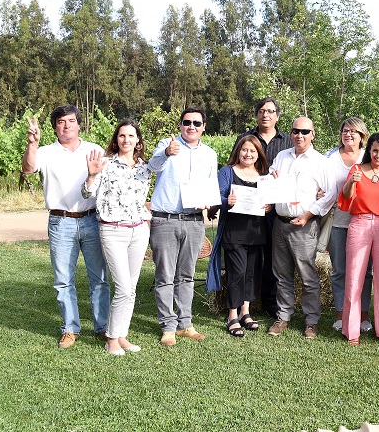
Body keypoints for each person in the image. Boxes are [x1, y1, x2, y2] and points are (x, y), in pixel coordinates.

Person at [22, 105, 109, 349]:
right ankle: (70, 328)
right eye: (61, 122)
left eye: (71, 120)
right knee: (63, 280)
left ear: (79, 124)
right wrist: (32, 143)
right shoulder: (46, 152)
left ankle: (102, 327)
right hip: (60, 221)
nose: (67, 125)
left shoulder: (94, 150)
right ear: (55, 127)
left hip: (92, 219)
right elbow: (27, 169)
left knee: (100, 278)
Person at [147, 106, 219, 346]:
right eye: (187, 122)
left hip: (194, 221)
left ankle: (185, 324)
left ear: (203, 127)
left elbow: (211, 185)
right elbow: (152, 166)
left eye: (196, 123)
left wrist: (211, 203)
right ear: (180, 124)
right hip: (165, 220)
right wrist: (166, 152)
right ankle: (168, 326)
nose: (191, 127)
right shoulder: (167, 145)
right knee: (165, 275)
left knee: (186, 276)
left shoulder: (209, 154)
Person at [82, 119, 151, 355]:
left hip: (139, 229)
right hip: (112, 229)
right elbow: (88, 192)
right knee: (122, 287)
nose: (126, 140)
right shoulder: (106, 164)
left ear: (138, 141)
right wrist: (91, 176)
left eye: (131, 136)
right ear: (116, 139)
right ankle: (111, 338)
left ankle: (122, 335)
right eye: (122, 136)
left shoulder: (144, 167)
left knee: (131, 288)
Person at [265, 117, 334, 339]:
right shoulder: (281, 156)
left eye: (305, 131)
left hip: (304, 225)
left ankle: (311, 321)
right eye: (295, 131)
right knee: (282, 274)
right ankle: (283, 316)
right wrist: (270, 179)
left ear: (313, 134)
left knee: (308, 276)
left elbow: (330, 194)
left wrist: (307, 215)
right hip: (280, 223)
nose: (299, 135)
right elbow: (270, 182)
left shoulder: (320, 161)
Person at [339, 132, 379, 346]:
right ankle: (351, 328)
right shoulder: (356, 170)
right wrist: (351, 183)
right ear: (369, 151)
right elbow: (346, 197)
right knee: (354, 276)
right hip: (360, 223)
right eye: (375, 150)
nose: (378, 154)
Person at [235, 97, 292, 319]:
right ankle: (242, 302)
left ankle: (270, 303)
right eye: (261, 110)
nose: (265, 115)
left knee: (273, 257)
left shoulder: (288, 141)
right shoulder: (245, 139)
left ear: (277, 115)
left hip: (275, 209)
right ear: (256, 114)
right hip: (248, 206)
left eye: (270, 111)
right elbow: (234, 165)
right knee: (248, 255)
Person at [210, 135, 269, 338]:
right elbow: (216, 195)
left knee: (251, 273)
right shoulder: (227, 171)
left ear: (258, 154)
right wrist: (228, 200)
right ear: (238, 150)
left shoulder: (263, 174)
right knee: (238, 272)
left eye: (252, 151)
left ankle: (246, 312)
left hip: (257, 232)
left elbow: (271, 198)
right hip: (234, 232)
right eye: (244, 150)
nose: (248, 154)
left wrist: (269, 205)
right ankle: (232, 315)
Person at [324, 117, 373, 333]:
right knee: (340, 270)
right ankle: (340, 313)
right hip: (339, 221)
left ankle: (363, 315)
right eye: (345, 130)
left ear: (363, 136)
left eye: (354, 131)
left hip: (364, 222)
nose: (348, 134)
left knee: (366, 271)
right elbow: (320, 182)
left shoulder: (369, 156)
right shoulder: (330, 157)